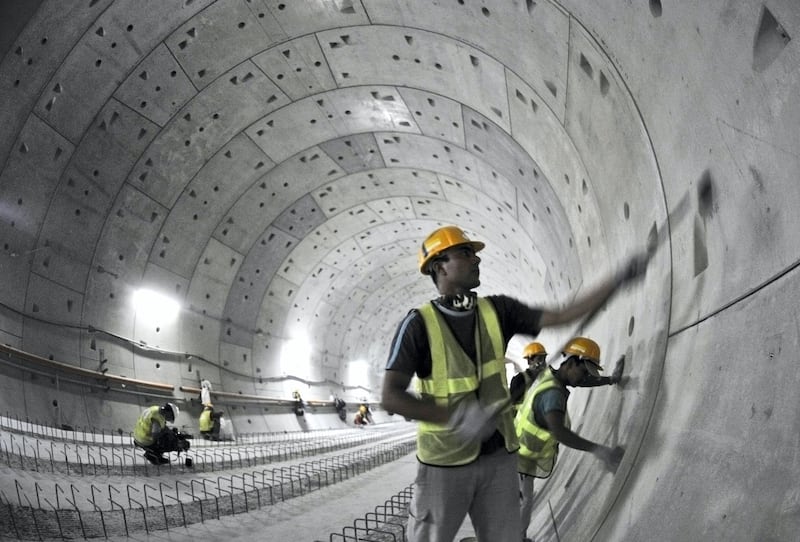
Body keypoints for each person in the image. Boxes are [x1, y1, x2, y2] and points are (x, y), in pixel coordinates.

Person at [381, 225, 647, 542]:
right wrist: (457, 418)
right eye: (466, 253)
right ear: (440, 266)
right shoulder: (419, 324)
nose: (476, 259)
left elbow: (562, 315)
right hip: (444, 463)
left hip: (499, 459)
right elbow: (391, 397)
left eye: (474, 253)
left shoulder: (498, 311)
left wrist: (616, 281)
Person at [515, 337, 625, 542]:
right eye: (583, 372)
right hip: (518, 457)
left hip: (517, 451)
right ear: (572, 362)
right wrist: (600, 450)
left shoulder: (550, 375)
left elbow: (581, 382)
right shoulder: (553, 394)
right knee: (524, 502)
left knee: (518, 501)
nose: (583, 378)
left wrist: (610, 379)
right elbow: (560, 433)